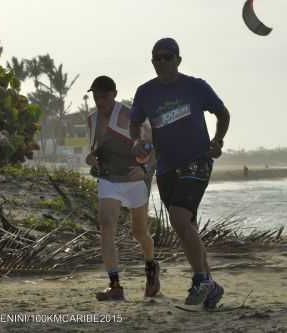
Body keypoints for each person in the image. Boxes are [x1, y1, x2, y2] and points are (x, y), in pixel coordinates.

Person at [129, 38, 230, 308]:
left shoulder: (195, 87)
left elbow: (223, 113)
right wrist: (136, 141)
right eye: (156, 59)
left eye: (167, 57)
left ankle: (200, 280)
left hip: (197, 160)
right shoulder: (145, 92)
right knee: (186, 227)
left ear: (178, 60)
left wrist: (217, 141)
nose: (161, 62)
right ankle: (211, 284)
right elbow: (135, 123)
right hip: (166, 167)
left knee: (178, 217)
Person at [85, 75, 160, 301]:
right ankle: (115, 285)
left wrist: (145, 170)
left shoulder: (128, 116)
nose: (100, 101)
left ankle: (151, 267)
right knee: (106, 226)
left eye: (104, 96)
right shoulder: (92, 120)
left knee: (139, 233)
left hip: (134, 180)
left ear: (114, 94)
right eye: (96, 96)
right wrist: (91, 159)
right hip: (109, 181)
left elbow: (154, 144)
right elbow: (94, 151)